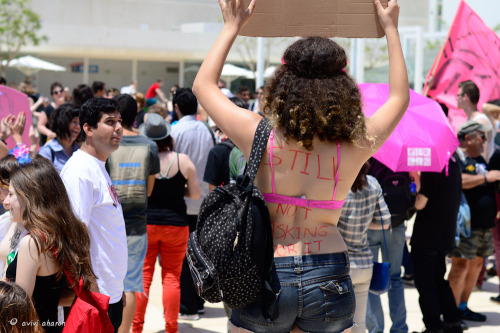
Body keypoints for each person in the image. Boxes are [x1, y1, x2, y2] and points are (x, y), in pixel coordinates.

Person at [191, 0, 409, 332]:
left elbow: (202, 86)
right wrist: (391, 28)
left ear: (284, 86)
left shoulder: (258, 134)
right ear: (342, 90)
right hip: (328, 272)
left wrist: (232, 26)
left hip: (267, 269)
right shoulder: (354, 144)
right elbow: (399, 98)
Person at [4, 156, 96, 333]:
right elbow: (73, 292)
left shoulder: (32, 243)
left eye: (11, 194)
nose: (6, 201)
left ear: (29, 197)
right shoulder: (71, 232)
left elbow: (20, 308)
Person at [60, 98, 127, 332]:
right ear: (88, 128)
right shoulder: (80, 171)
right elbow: (73, 236)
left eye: (119, 121)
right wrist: (92, 291)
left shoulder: (97, 165)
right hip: (95, 296)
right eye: (110, 122)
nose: (118, 127)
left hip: (110, 292)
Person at [132, 113, 200, 333]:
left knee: (144, 277)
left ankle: (136, 326)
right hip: (177, 225)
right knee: (172, 278)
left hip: (147, 224)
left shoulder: (142, 160)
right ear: (168, 136)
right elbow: (196, 195)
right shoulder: (183, 160)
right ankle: (171, 327)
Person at [106, 94, 160, 333]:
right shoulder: (149, 145)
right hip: (137, 224)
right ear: (136, 114)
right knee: (130, 282)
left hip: (108, 223)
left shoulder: (107, 145)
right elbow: (149, 190)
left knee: (106, 280)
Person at [448, 120, 500, 323]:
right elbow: (459, 181)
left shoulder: (480, 159)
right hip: (466, 226)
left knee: (477, 265)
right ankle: (451, 313)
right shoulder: (457, 158)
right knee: (460, 266)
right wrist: (487, 178)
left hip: (485, 224)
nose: (485, 140)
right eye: (481, 136)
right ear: (468, 138)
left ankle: (462, 307)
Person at [171, 88, 215, 319]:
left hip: (183, 200)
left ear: (176, 107)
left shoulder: (175, 131)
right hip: (205, 201)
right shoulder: (206, 130)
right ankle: (198, 302)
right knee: (199, 255)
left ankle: (188, 306)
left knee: (183, 257)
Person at [411, 156, 464, 333]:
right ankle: (453, 321)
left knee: (426, 284)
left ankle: (433, 326)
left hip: (427, 235)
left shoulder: (433, 166)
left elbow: (421, 203)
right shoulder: (454, 164)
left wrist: (414, 196)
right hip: (444, 234)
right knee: (438, 280)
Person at [338, 162, 391, 333]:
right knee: (359, 324)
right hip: (365, 263)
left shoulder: (338, 186)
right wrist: (363, 223)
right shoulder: (373, 183)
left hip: (341, 264)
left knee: (339, 324)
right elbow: (385, 221)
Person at [456, 80, 495, 162]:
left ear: (465, 97)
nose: (456, 98)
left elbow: (484, 154)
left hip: (479, 169)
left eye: (458, 95)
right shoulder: (472, 120)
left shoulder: (481, 121)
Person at [38, 103, 80, 173]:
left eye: (80, 123)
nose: (78, 126)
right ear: (62, 123)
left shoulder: (80, 152)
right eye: (74, 122)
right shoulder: (47, 153)